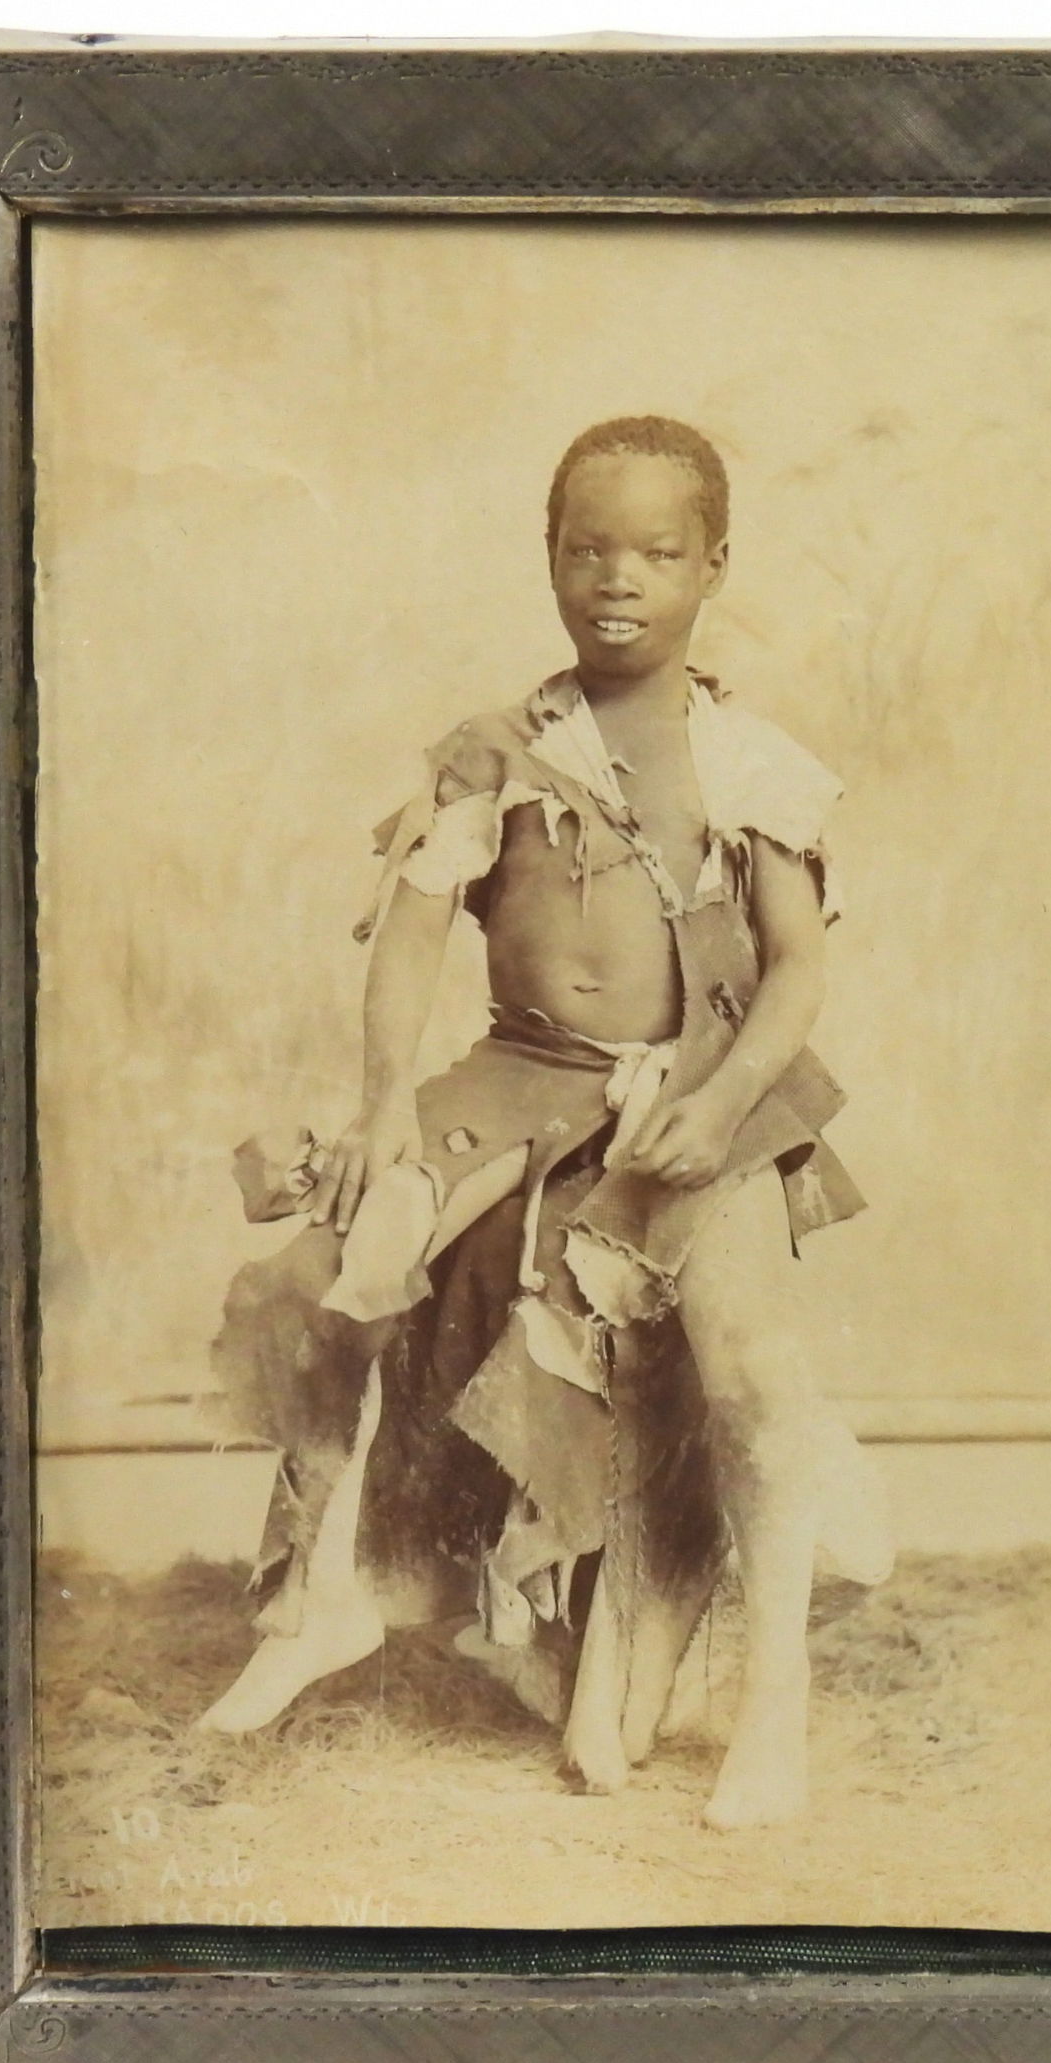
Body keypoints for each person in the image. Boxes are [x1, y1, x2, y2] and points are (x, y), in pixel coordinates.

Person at [200, 415, 893, 1829]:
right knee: (333, 1266)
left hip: (693, 1089)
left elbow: (796, 970)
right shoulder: (495, 754)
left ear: (712, 566)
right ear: (551, 558)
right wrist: (385, 1105)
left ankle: (774, 1699)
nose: (618, 578)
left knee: (751, 1369)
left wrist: (724, 1103)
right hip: (518, 1075)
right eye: (589, 548)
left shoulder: (753, 762)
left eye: (657, 553)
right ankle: (330, 1592)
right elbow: (412, 933)